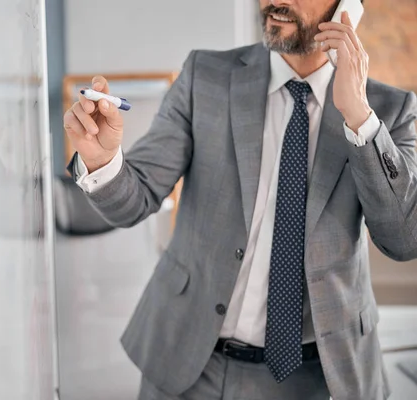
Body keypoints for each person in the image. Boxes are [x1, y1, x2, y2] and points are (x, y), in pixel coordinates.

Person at [63, 0, 417, 399]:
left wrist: (359, 118)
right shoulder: (205, 76)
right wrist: (102, 160)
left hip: (315, 377)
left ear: (347, 6)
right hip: (189, 361)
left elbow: (403, 239)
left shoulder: (389, 111)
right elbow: (136, 198)